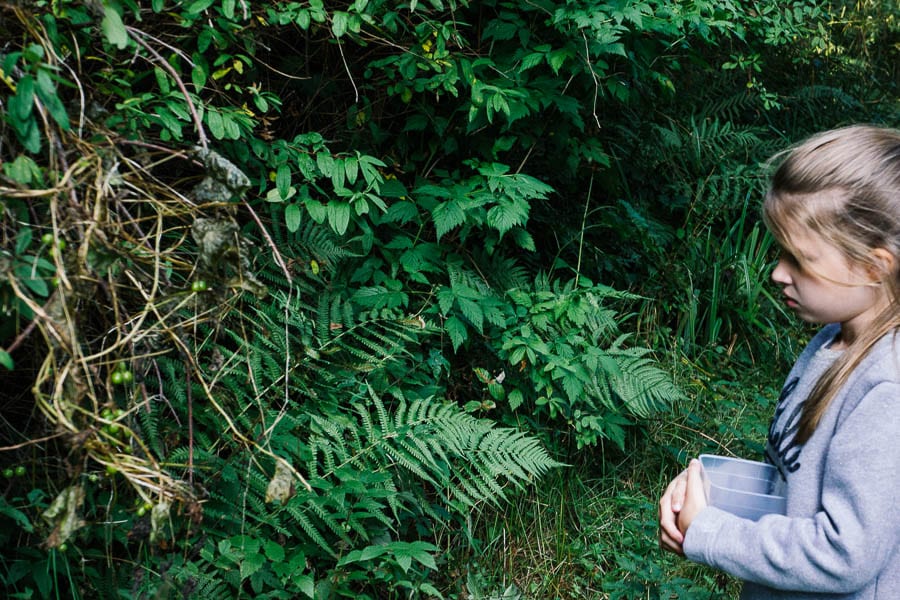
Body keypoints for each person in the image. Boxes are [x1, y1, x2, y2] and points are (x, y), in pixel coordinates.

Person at [658, 124, 900, 599]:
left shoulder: (885, 389)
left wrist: (711, 531)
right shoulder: (834, 341)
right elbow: (797, 479)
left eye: (799, 258)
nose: (776, 273)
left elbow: (842, 554)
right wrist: (709, 493)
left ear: (873, 266)